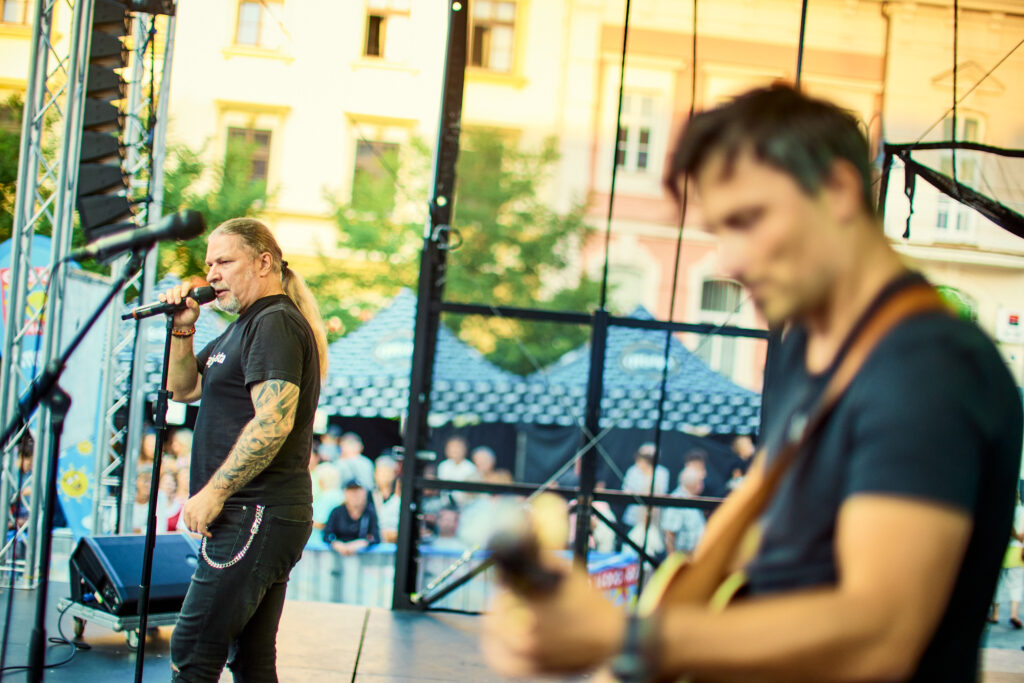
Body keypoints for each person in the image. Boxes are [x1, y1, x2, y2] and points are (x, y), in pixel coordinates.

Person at [483, 85, 1022, 682]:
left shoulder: (928, 366)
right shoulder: (816, 358)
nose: (730, 261)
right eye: (720, 230)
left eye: (748, 220)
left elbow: (880, 636)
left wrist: (627, 636)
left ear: (839, 190)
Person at [161, 217, 328, 682]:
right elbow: (184, 388)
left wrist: (215, 492)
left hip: (254, 511)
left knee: (194, 647)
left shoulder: (274, 322)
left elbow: (273, 422)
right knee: (252, 658)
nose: (211, 274)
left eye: (224, 261)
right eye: (208, 264)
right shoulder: (242, 326)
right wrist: (182, 330)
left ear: (263, 262)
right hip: (259, 513)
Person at [991, 492, 1024, 629]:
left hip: (1003, 550)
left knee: (998, 584)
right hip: (1018, 552)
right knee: (1016, 585)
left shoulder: (1003, 510)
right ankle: (1014, 615)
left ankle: (995, 615)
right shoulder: (1022, 511)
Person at [323, 479, 380, 556]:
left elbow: (376, 537)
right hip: (338, 556)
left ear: (364, 493)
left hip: (363, 558)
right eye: (351, 491)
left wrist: (361, 543)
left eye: (358, 491)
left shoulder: (370, 512)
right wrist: (336, 544)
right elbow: (327, 535)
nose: (355, 495)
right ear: (345, 493)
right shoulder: (336, 512)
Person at [661, 464, 707, 554]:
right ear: (692, 483)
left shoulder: (691, 498)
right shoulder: (678, 500)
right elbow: (669, 533)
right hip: (682, 556)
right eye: (700, 481)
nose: (702, 484)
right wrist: (672, 559)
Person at [621, 443, 669, 527]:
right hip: (633, 517)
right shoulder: (632, 470)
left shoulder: (662, 472)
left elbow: (661, 492)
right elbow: (626, 490)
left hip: (654, 518)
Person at [371, 455, 401, 543]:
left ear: (394, 474)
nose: (383, 476)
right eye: (379, 472)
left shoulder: (398, 498)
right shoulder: (368, 496)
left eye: (386, 472)